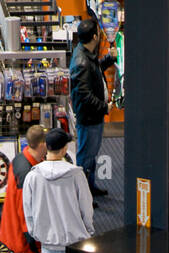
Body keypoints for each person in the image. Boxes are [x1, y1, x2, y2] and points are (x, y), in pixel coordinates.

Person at [22, 128, 93, 253]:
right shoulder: (76, 175)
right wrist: (88, 231)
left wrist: (36, 234)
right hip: (77, 244)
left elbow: (29, 211)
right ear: (64, 149)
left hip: (49, 245)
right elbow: (86, 207)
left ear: (46, 147)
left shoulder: (32, 176)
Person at [70, 18, 115, 199]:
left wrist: (109, 59)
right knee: (86, 157)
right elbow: (84, 96)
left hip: (92, 117)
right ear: (95, 36)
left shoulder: (85, 53)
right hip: (89, 118)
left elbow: (95, 70)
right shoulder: (82, 61)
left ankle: (89, 188)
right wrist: (105, 107)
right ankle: (82, 195)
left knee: (91, 155)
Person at [0, 124, 47, 253]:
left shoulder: (21, 158)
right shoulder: (27, 174)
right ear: (41, 144)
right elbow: (25, 214)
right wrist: (36, 247)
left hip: (16, 239)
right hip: (26, 248)